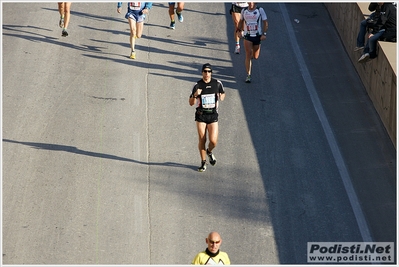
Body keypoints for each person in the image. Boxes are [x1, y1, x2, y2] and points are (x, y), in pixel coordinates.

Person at [189, 63, 226, 172]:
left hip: (213, 115)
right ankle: (203, 162)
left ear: (211, 73)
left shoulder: (217, 83)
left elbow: (223, 94)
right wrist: (195, 95)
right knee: (202, 138)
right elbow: (191, 103)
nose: (207, 73)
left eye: (209, 71)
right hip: (201, 115)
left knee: (213, 141)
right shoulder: (197, 85)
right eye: (205, 71)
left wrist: (221, 96)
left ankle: (209, 151)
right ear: (202, 72)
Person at [236, 2, 268, 83]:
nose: (250, 3)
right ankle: (248, 75)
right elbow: (240, 21)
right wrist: (239, 31)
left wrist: (264, 34)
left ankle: (252, 57)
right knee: (248, 54)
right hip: (248, 36)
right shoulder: (244, 11)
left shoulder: (260, 10)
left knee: (255, 56)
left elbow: (265, 23)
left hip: (257, 36)